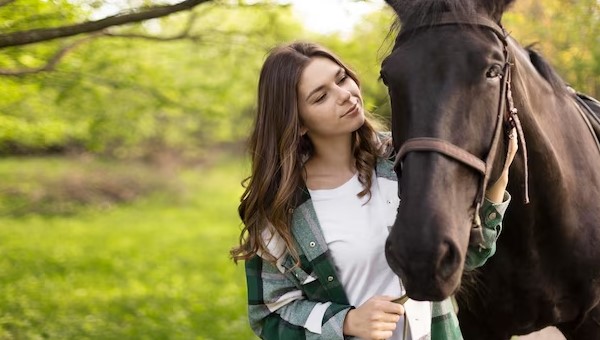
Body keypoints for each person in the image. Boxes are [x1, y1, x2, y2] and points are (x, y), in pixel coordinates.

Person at [231, 41, 517, 340]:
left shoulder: (407, 161)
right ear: (298, 122)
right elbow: (269, 314)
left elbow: (469, 253)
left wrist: (499, 178)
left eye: (341, 78)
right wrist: (347, 323)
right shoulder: (279, 208)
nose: (345, 95)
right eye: (321, 97)